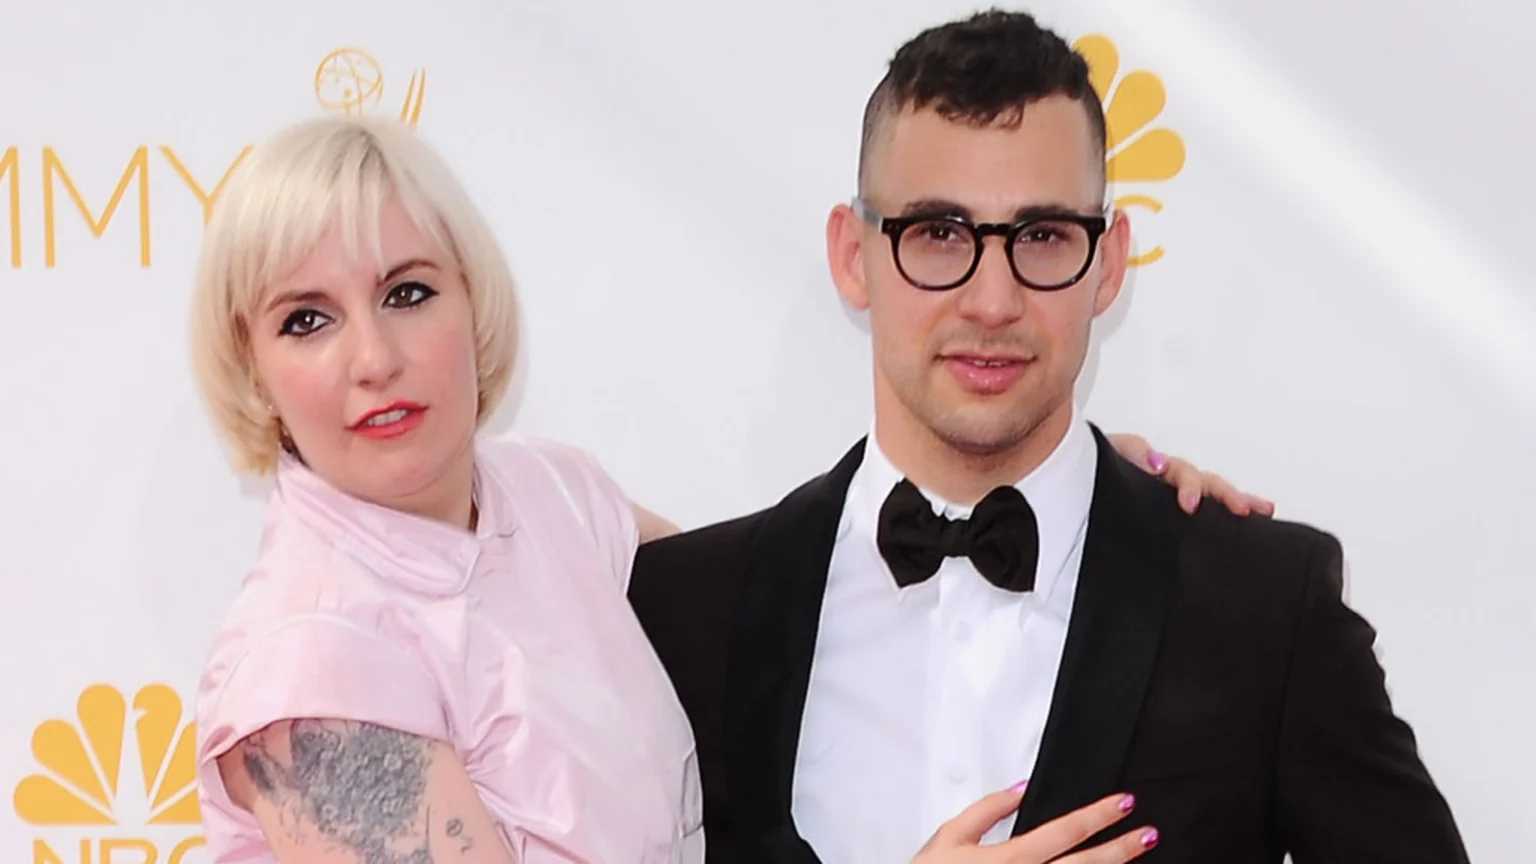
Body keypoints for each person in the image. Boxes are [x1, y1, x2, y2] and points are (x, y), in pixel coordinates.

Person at [185, 113, 1254, 864]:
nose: (373, 357)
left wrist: (1078, 494)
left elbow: (795, 601)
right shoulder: (311, 672)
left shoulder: (552, 496)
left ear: (474, 303)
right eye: (306, 320)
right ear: (253, 370)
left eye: (407, 292)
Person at [626, 9, 1469, 864]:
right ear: (854, 255)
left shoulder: (1262, 607)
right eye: (939, 233)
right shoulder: (680, 613)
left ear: (1106, 265)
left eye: (1041, 236)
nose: (992, 302)